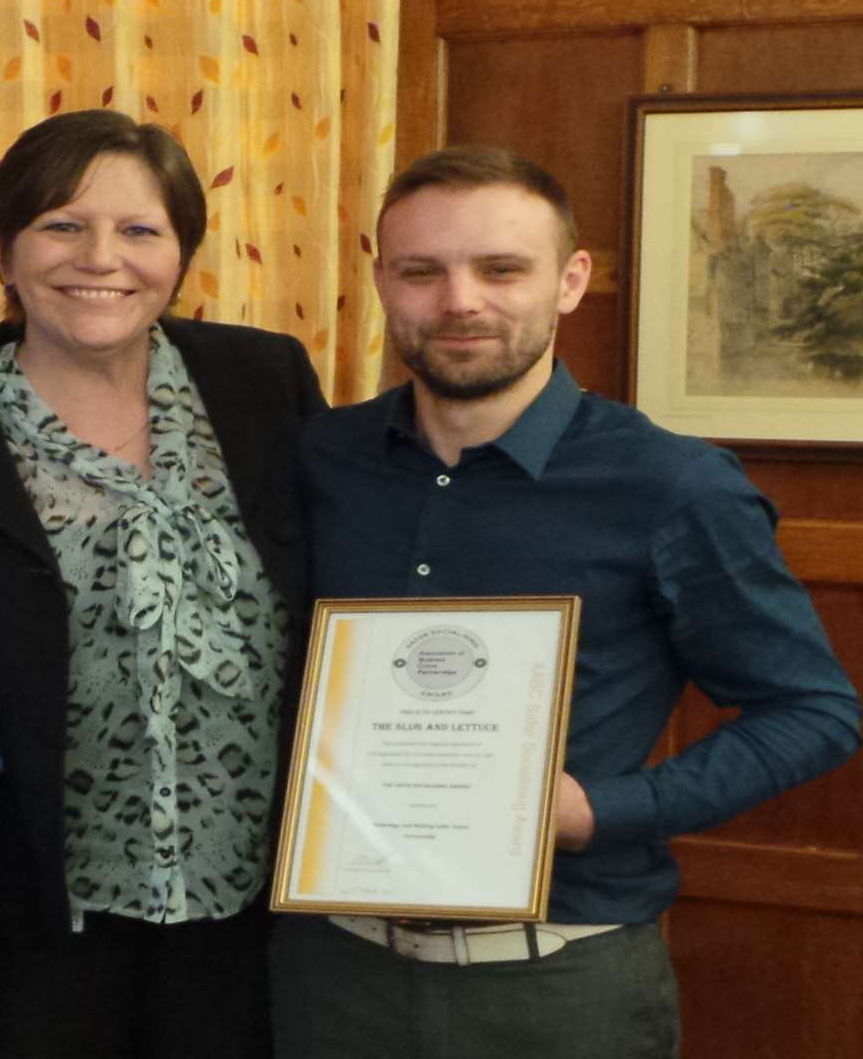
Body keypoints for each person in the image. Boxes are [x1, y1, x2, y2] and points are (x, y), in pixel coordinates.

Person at [271, 145, 862, 1058]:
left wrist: (603, 809)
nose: (460, 300)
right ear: (382, 279)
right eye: (422, 271)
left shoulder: (671, 484)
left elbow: (814, 712)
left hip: (560, 986)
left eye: (502, 268)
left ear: (570, 280)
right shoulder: (321, 460)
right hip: (332, 975)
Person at [0, 110, 326, 1058]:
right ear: (1, 250)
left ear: (181, 254)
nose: (101, 257)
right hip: (29, 926)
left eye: (141, 231)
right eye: (63, 225)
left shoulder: (265, 380)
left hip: (259, 916)